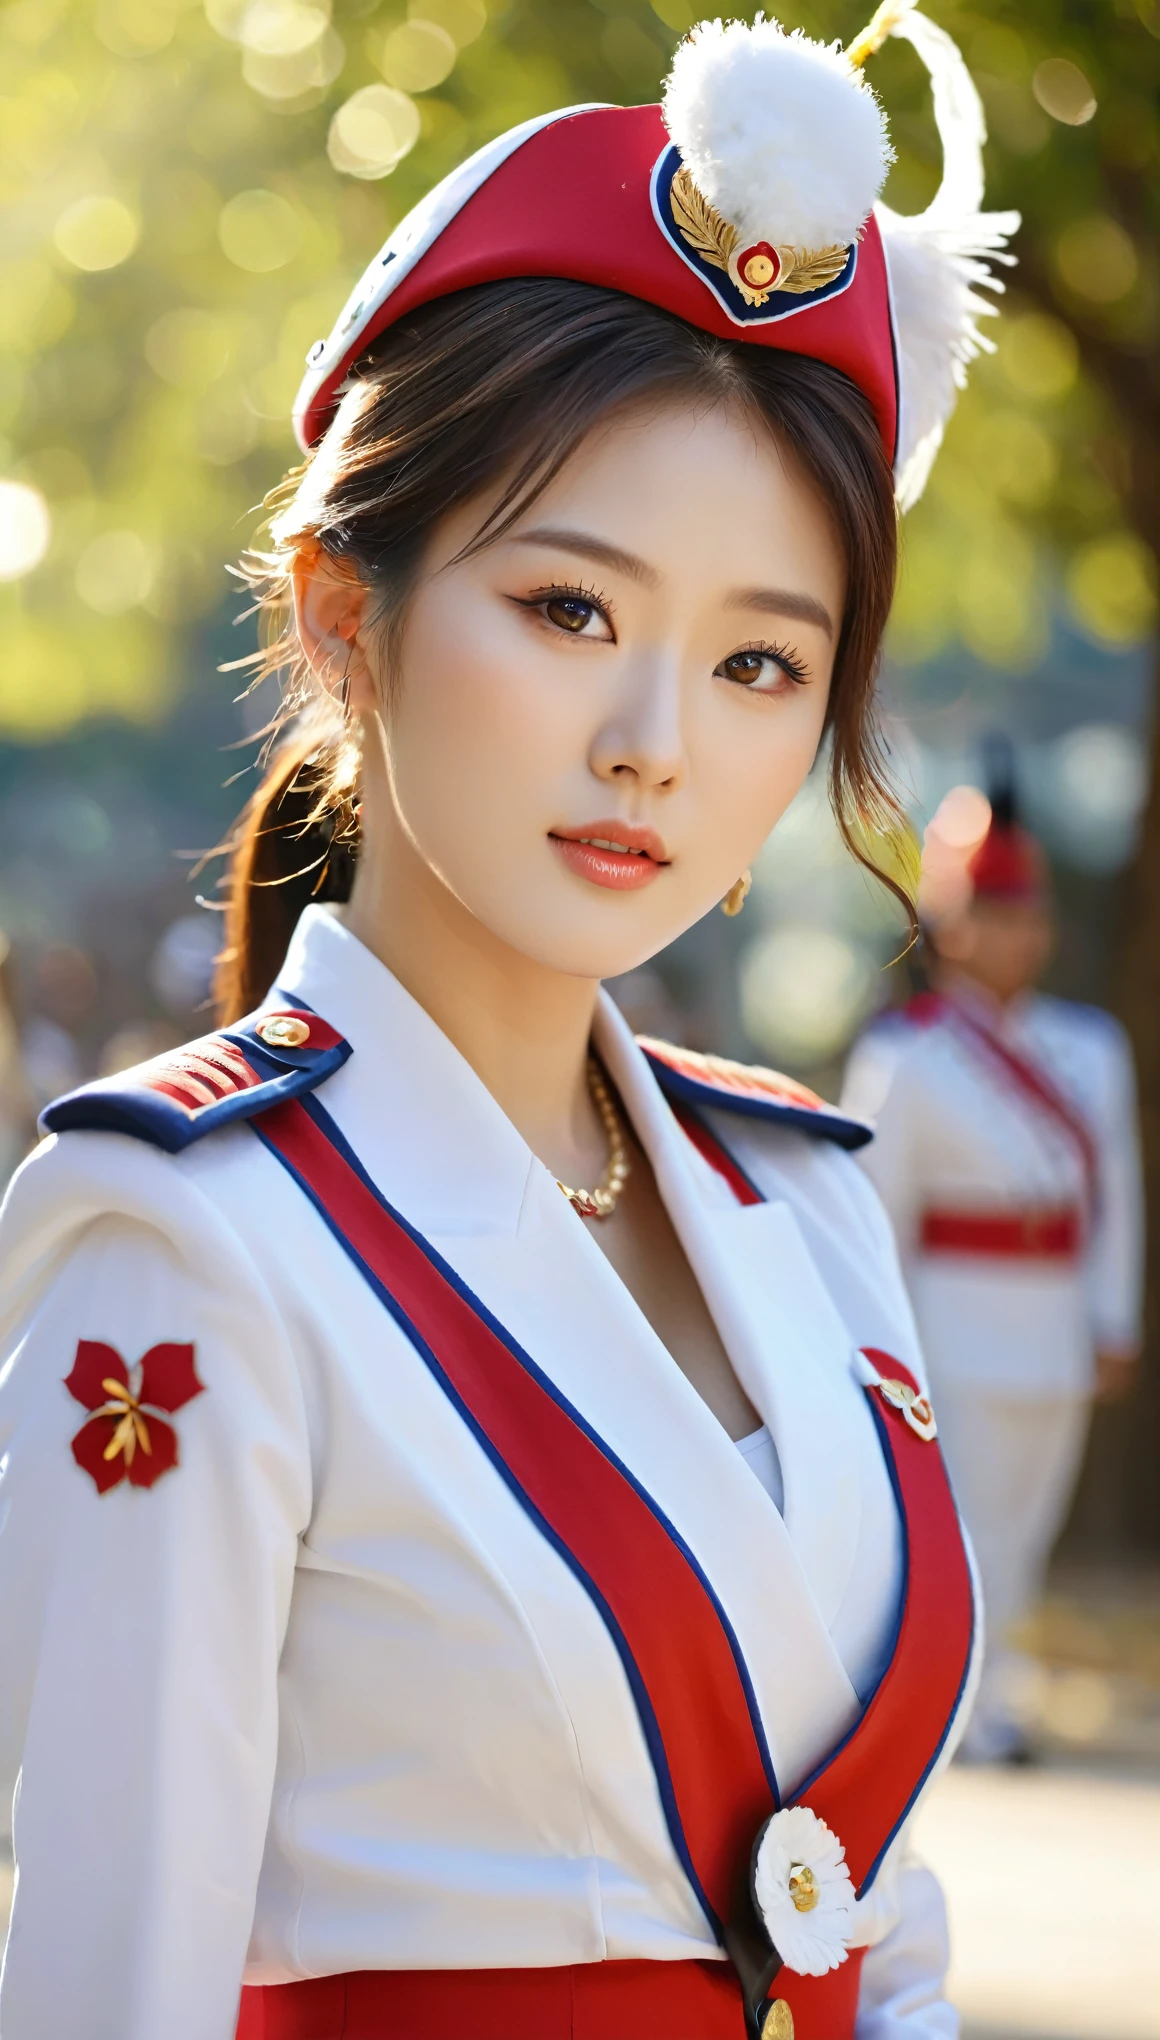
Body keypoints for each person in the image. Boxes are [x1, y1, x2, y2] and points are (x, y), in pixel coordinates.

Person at [0, 12, 1017, 2038]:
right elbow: (107, 1987)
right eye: (569, 611)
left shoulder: (806, 1208)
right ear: (342, 616)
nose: (653, 746)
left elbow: (874, 1933)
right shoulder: (187, 1241)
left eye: (753, 661)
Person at [842, 793, 1144, 1763]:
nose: (1017, 934)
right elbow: (867, 1216)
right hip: (949, 1323)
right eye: (995, 911)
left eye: (1030, 913)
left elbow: (1115, 1198)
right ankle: (960, 1707)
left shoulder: (1088, 1048)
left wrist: (1110, 1319)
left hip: (1050, 1323)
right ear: (948, 924)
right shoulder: (904, 1055)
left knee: (1026, 1523)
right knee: (961, 1525)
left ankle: (997, 1694)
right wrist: (877, 1342)